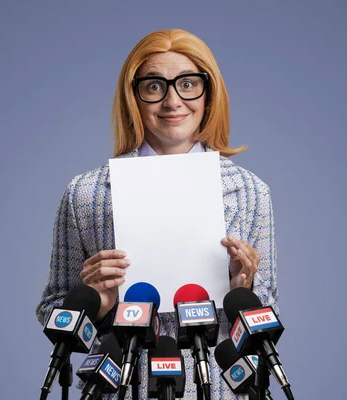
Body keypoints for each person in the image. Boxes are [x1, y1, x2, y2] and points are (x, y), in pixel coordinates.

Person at [36, 28, 279, 399]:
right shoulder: (85, 193)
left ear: (209, 94)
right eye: (154, 86)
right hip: (118, 386)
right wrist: (98, 303)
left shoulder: (250, 192)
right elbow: (53, 307)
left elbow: (268, 309)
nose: (172, 101)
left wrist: (242, 289)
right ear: (133, 97)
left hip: (218, 388)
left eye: (187, 84)